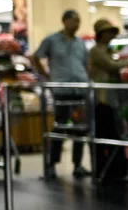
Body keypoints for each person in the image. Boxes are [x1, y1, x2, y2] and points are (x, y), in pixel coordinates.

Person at [33, 10, 90, 179]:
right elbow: (36, 57)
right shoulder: (52, 40)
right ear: (64, 21)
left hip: (79, 90)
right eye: (74, 21)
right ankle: (52, 164)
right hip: (62, 91)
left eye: (79, 21)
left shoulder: (80, 43)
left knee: (80, 128)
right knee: (59, 127)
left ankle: (78, 164)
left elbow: (86, 64)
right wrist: (48, 77)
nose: (77, 24)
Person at [88, 19, 128, 102]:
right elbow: (111, 65)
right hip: (102, 92)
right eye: (108, 32)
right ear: (101, 34)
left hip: (111, 91)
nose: (111, 35)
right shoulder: (96, 50)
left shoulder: (109, 50)